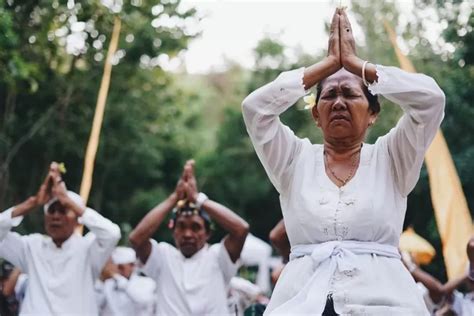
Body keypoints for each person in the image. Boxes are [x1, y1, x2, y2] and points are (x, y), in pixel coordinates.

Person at [242, 7, 445, 315]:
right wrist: (323, 67)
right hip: (301, 304)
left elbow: (432, 101)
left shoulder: (392, 157)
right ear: (315, 114)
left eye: (350, 94)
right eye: (329, 95)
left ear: (373, 113)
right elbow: (255, 110)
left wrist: (358, 65)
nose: (338, 102)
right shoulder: (294, 159)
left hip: (385, 305)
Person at [129, 160, 249, 315]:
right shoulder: (164, 255)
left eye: (195, 227)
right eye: (181, 227)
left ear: (208, 233)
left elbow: (241, 229)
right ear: (173, 231)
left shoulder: (218, 256)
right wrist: (174, 197)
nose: (187, 234)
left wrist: (198, 199)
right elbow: (136, 238)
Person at [0, 162, 121, 315]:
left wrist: (68, 200)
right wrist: (33, 202)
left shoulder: (88, 250)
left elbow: (112, 233)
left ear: (78, 219)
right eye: (51, 210)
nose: (56, 216)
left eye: (63, 210)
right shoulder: (32, 247)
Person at [96, 246, 156, 316]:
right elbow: (96, 305)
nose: (131, 268)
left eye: (132, 265)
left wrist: (118, 278)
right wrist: (101, 280)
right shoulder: (108, 284)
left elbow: (143, 300)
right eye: (118, 267)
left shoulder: (147, 282)